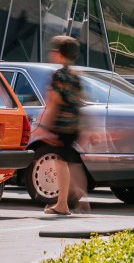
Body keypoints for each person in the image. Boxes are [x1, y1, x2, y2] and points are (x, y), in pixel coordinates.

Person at [41, 35, 87, 216]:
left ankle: (62, 204)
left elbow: (54, 101)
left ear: (59, 54)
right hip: (75, 124)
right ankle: (78, 194)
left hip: (62, 124)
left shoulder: (58, 75)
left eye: (53, 50)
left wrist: (45, 125)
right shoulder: (76, 76)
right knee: (69, 161)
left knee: (61, 162)